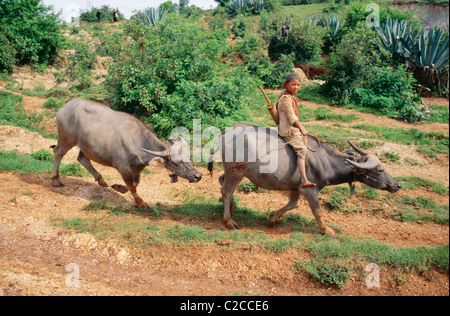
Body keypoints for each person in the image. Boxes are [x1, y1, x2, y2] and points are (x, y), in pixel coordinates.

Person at [277, 73, 316, 188]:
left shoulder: (290, 97)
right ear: (286, 84)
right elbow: (291, 117)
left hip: (292, 128)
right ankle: (304, 179)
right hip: (287, 130)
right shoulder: (285, 99)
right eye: (293, 84)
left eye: (298, 85)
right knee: (302, 149)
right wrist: (301, 127)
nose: (296, 87)